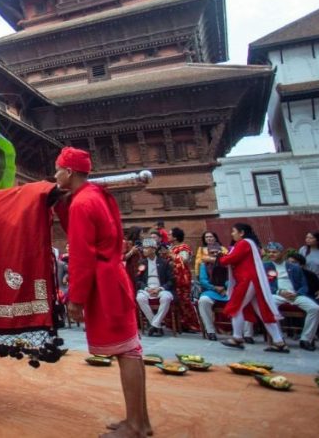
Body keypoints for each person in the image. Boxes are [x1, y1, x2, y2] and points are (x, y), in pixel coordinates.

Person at [54, 147, 149, 438]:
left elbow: (81, 256)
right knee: (131, 350)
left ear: (69, 172)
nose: (55, 174)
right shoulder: (98, 196)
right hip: (113, 277)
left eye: (57, 169)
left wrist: (76, 298)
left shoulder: (83, 204)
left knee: (127, 351)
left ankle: (135, 424)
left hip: (103, 282)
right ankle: (139, 421)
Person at [209, 223, 288, 352]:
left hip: (247, 280)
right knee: (261, 311)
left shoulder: (244, 243)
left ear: (241, 233)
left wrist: (220, 257)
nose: (232, 234)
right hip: (250, 279)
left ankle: (237, 337)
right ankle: (279, 341)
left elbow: (231, 258)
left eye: (234, 231)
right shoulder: (249, 244)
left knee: (236, 307)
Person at [263, 242, 319, 351]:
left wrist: (297, 293)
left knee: (315, 308)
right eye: (269, 252)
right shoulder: (265, 266)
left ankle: (306, 339)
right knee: (270, 306)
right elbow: (265, 285)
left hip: (295, 295)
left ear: (282, 253)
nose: (271, 254)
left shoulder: (294, 267)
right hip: (277, 294)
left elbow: (304, 285)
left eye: (274, 252)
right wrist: (279, 291)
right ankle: (279, 339)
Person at [134, 238, 174, 337]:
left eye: (146, 248)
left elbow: (171, 280)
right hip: (147, 288)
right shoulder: (142, 263)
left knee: (166, 297)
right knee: (140, 298)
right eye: (143, 248)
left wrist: (160, 288)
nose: (144, 250)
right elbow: (138, 280)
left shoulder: (164, 262)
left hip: (161, 288)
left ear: (153, 249)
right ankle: (157, 325)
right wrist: (147, 288)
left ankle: (154, 325)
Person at [167, 227, 198, 332]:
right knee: (174, 301)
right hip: (172, 278)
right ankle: (178, 324)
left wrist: (171, 255)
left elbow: (184, 260)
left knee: (184, 301)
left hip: (182, 278)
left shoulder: (183, 247)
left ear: (175, 237)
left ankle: (191, 325)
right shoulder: (170, 248)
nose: (168, 236)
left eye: (170, 234)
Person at [198, 245, 230, 341]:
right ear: (208, 254)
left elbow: (231, 279)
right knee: (203, 301)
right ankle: (210, 331)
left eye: (217, 252)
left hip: (227, 291)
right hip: (211, 291)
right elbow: (203, 280)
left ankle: (245, 334)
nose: (215, 254)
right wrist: (214, 287)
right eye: (212, 252)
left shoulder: (227, 265)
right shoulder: (204, 265)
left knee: (242, 299)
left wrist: (225, 287)